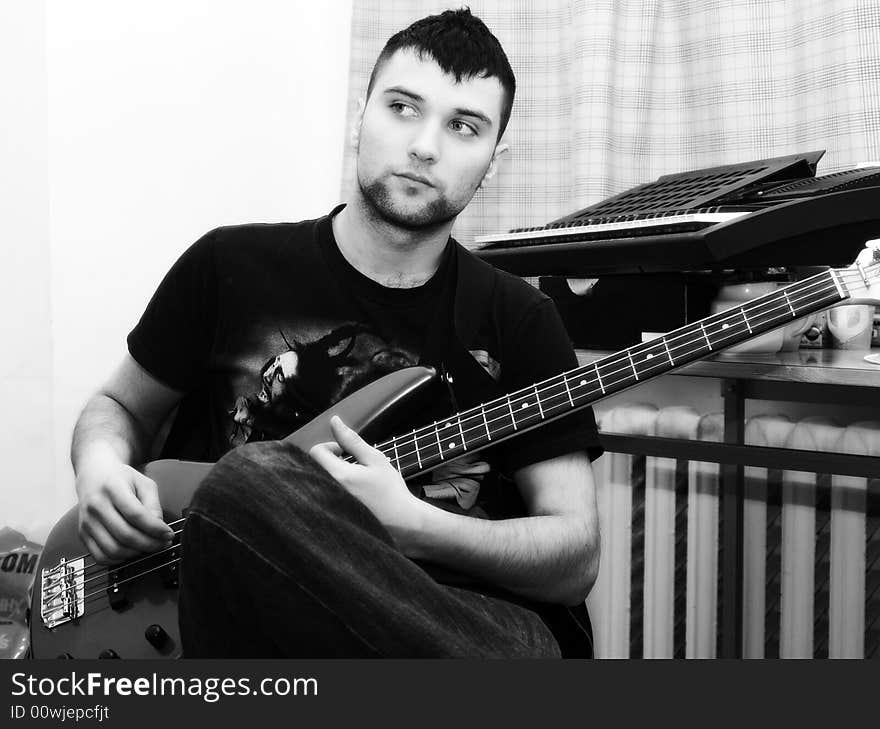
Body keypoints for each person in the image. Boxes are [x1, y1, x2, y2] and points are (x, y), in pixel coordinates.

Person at [70, 8, 603, 658]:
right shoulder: (226, 266)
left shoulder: (521, 320)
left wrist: (421, 529)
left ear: (495, 160)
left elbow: (574, 556)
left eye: (463, 125)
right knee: (250, 478)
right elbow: (118, 405)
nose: (426, 145)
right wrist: (98, 466)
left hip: (444, 629)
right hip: (235, 626)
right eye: (404, 107)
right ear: (361, 114)